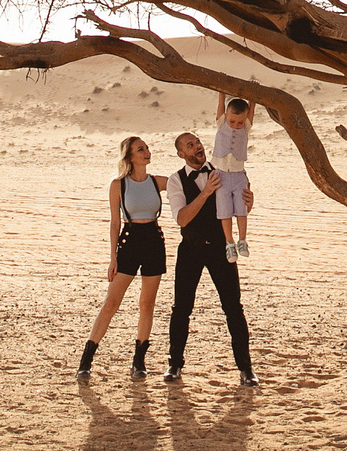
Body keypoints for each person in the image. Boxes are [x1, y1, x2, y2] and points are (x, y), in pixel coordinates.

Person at [165, 121, 255, 385]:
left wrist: (250, 200)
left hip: (221, 248)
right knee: (181, 308)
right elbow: (181, 219)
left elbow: (242, 201)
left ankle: (246, 369)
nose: (198, 147)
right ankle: (174, 365)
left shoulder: (224, 170)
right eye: (190, 145)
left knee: (233, 308)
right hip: (190, 249)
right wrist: (205, 193)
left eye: (198, 142)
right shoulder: (175, 181)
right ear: (181, 154)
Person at [78, 135, 169, 377]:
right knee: (111, 303)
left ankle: (139, 362)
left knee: (146, 304)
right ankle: (86, 361)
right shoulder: (118, 185)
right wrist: (112, 258)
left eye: (147, 148)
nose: (147, 152)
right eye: (141, 150)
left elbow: (189, 184)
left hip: (154, 241)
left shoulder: (158, 181)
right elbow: (115, 222)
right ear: (130, 157)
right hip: (129, 243)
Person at [212, 96, 255, 256]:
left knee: (241, 208)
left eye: (239, 123)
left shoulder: (246, 127)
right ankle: (229, 243)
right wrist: (222, 93)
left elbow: (251, 112)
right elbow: (220, 105)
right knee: (224, 210)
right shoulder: (221, 123)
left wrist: (253, 99)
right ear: (226, 117)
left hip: (238, 175)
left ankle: (242, 240)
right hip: (221, 174)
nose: (236, 125)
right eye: (232, 122)